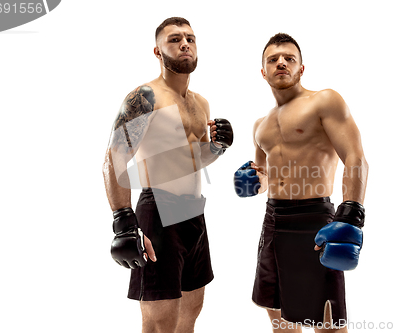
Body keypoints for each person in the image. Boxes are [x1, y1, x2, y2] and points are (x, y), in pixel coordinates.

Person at [102, 17, 233, 333]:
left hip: (193, 212)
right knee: (161, 321)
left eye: (190, 38)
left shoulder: (199, 103)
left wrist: (218, 147)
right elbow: (114, 158)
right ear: (158, 52)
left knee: (190, 313)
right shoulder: (145, 97)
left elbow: (193, 159)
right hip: (158, 212)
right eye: (174, 39)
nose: (185, 43)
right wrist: (123, 220)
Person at [233, 33, 368, 332]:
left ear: (301, 68)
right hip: (273, 220)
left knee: (327, 320)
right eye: (273, 59)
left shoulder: (324, 100)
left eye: (289, 58)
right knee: (278, 315)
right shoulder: (260, 125)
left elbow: (356, 158)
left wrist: (351, 212)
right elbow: (265, 176)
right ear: (263, 71)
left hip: (314, 219)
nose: (281, 62)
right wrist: (254, 181)